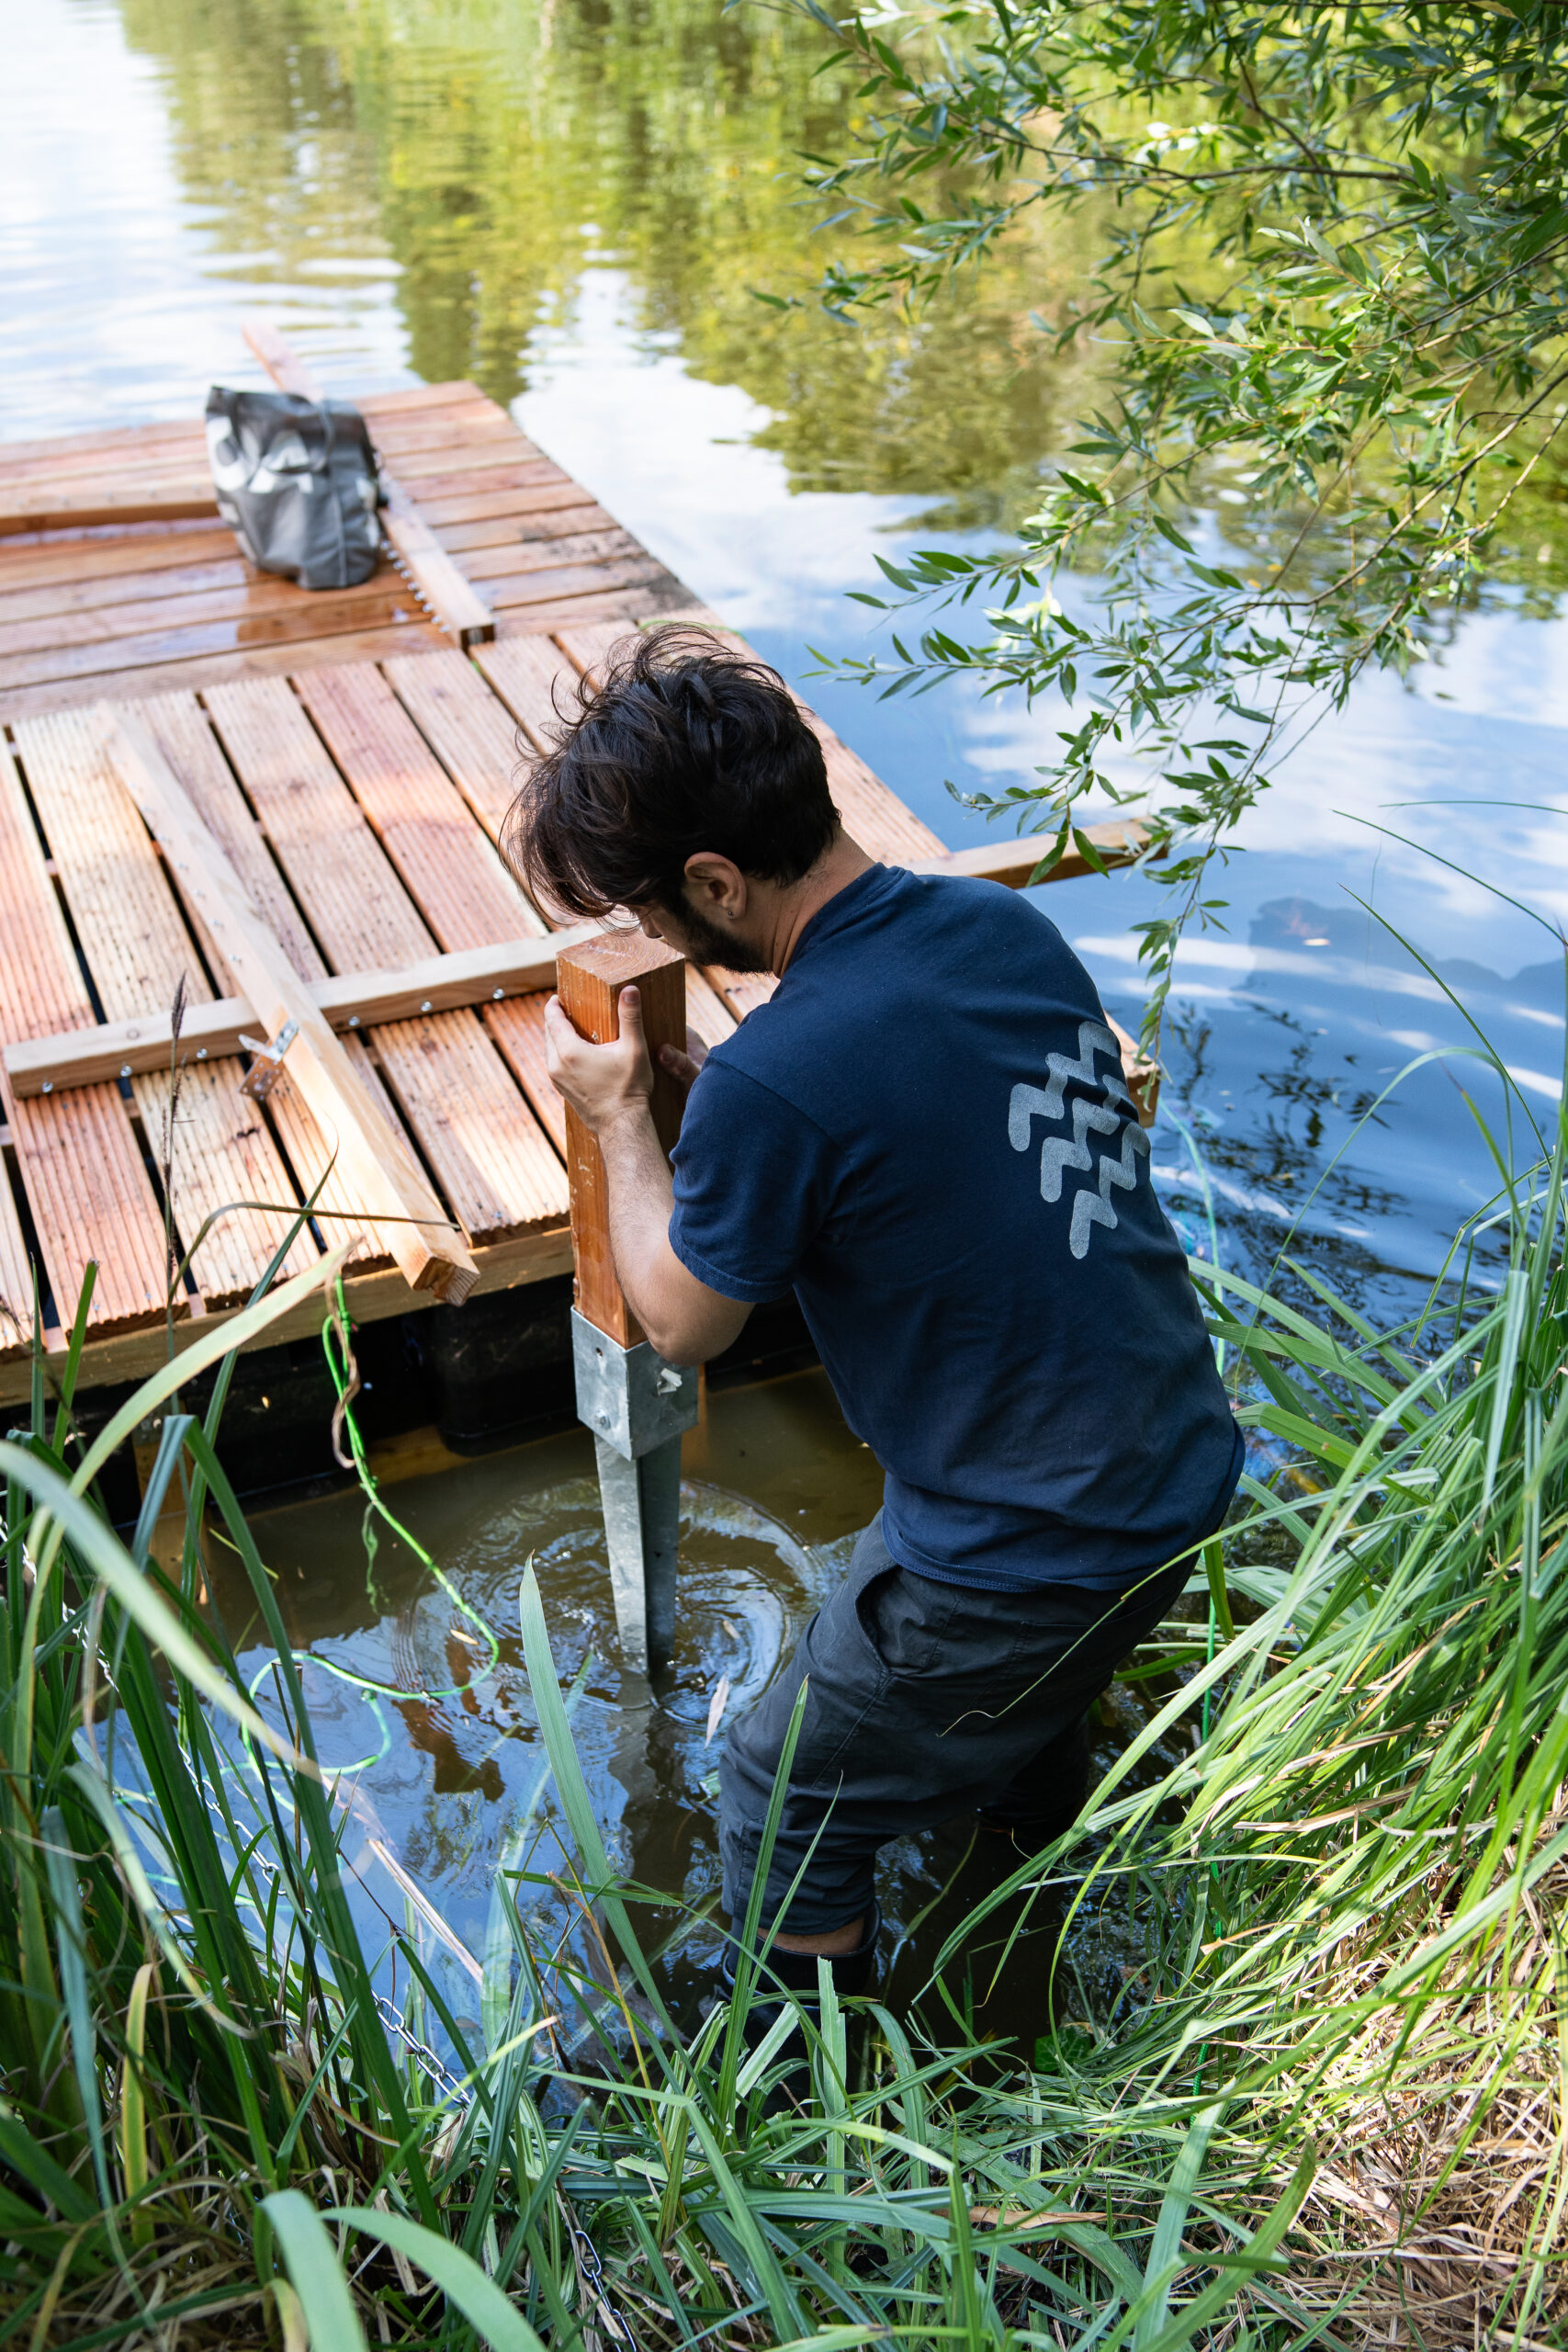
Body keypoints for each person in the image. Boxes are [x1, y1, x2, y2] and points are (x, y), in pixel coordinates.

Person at [503, 626, 1242, 2007]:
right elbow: (912, 1106)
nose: (665, 942)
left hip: (1030, 1544)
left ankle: (830, 2097)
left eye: (662, 915)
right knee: (1017, 1717)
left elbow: (679, 1327)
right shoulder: (998, 929)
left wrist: (624, 1127)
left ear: (716, 881)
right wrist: (744, 1103)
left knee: (777, 1798)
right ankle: (1026, 1929)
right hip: (1175, 1466)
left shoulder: (781, 1082)